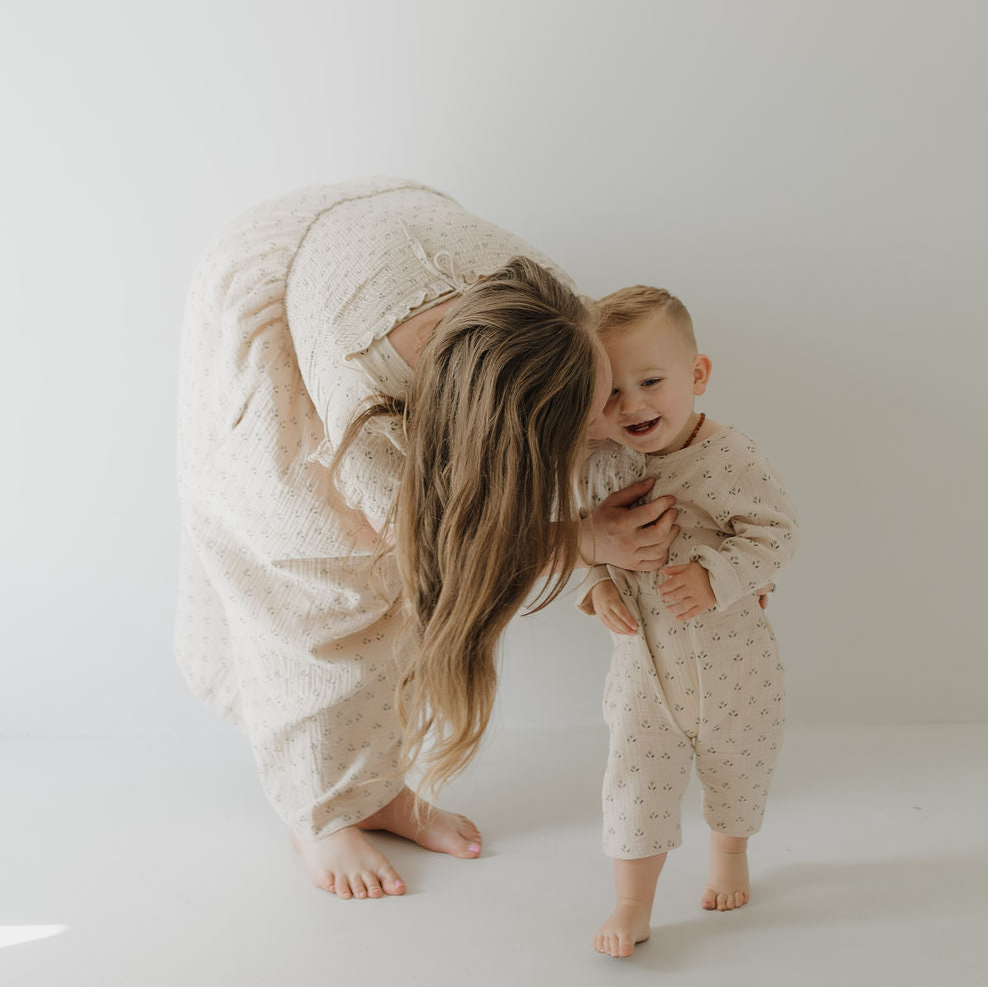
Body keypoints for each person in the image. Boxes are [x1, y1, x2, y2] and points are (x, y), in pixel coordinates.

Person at [176, 178, 678, 901]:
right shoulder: (366, 418)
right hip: (270, 294)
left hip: (372, 237)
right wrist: (585, 542)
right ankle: (319, 812)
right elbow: (446, 550)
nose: (608, 416)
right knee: (325, 605)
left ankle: (373, 787)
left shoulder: (555, 311)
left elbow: (615, 440)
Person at [577, 286, 799, 958]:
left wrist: (718, 577)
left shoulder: (731, 458)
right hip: (645, 672)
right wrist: (596, 590)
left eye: (651, 382)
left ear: (696, 376)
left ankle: (730, 852)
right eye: (612, 392)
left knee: (740, 767)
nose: (633, 405)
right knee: (635, 786)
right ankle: (631, 902)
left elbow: (777, 536)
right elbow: (588, 542)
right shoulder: (600, 467)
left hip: (736, 662)